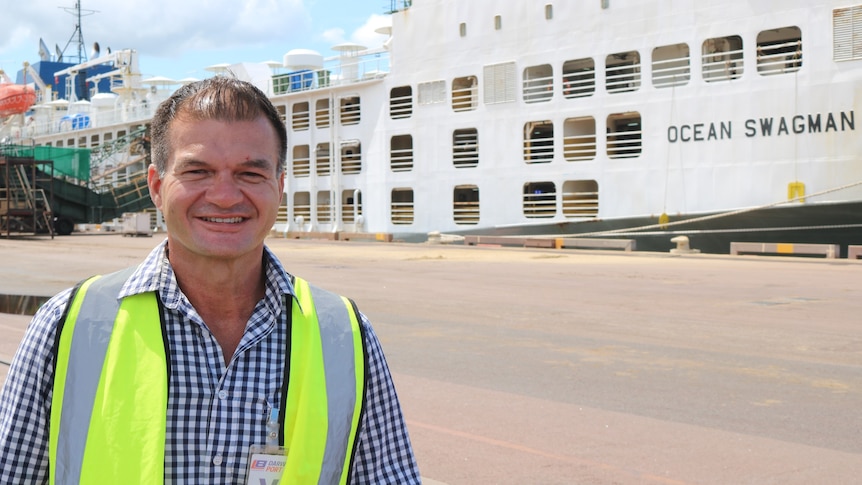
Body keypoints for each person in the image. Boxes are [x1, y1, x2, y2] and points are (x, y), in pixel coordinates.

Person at [0, 77, 421, 484]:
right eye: (198, 171)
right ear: (156, 185)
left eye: (250, 174)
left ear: (279, 186)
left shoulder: (345, 335)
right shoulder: (65, 326)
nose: (224, 196)